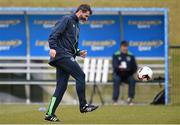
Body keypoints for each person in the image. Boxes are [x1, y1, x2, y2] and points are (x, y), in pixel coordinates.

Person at [45, 4, 98, 122]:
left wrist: (79, 52)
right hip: (61, 55)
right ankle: (83, 106)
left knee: (61, 87)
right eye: (86, 15)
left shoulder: (77, 25)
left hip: (65, 55)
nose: (87, 18)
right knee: (81, 75)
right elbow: (54, 34)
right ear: (81, 11)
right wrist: (53, 47)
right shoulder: (67, 19)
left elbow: (71, 46)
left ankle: (49, 114)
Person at [112, 40, 137, 105]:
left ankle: (130, 99)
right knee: (116, 80)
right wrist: (120, 68)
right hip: (118, 74)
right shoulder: (116, 55)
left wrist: (128, 69)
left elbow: (135, 67)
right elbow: (114, 66)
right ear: (121, 47)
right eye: (123, 46)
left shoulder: (131, 55)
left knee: (132, 80)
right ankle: (115, 100)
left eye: (126, 46)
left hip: (128, 75)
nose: (125, 48)